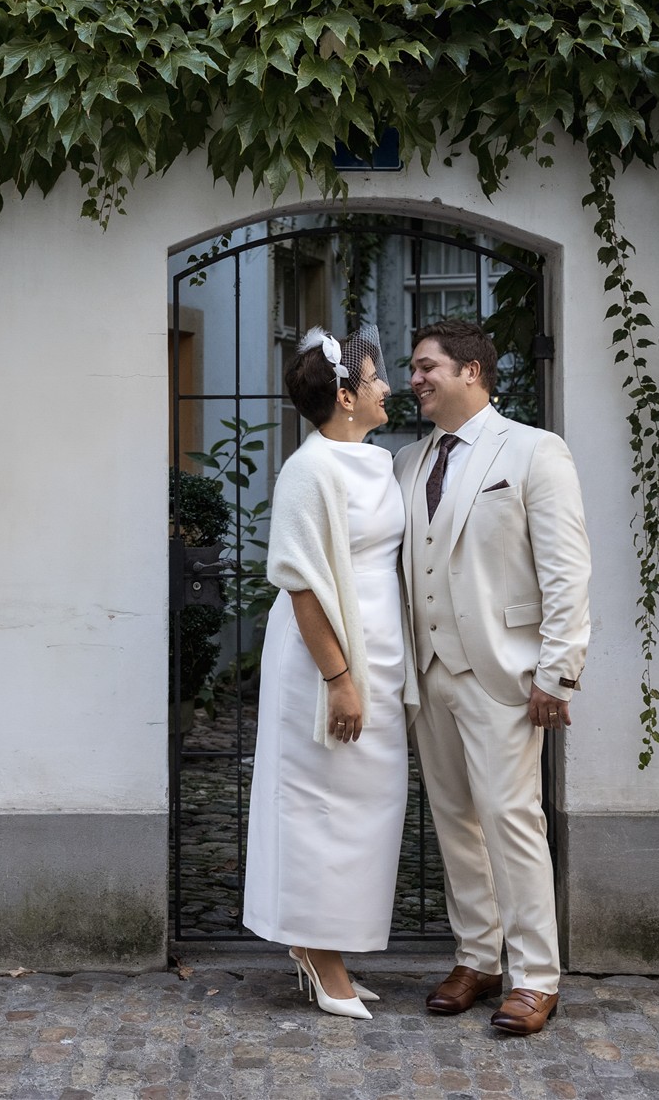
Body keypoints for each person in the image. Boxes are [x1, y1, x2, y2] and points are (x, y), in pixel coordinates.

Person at [396, 319, 591, 1036]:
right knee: (454, 820)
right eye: (413, 368)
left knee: (512, 819)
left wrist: (558, 671)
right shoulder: (407, 462)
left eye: (427, 366)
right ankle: (477, 957)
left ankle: (536, 975)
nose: (415, 379)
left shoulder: (535, 451)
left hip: (504, 672)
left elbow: (567, 570)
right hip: (429, 670)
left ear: (471, 370)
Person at [242, 325, 417, 1020]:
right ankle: (317, 951)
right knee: (319, 806)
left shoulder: (377, 460)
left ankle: (330, 941)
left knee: (370, 807)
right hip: (325, 660)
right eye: (375, 379)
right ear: (345, 396)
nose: (388, 387)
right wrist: (338, 678)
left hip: (380, 654)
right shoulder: (308, 470)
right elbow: (301, 584)